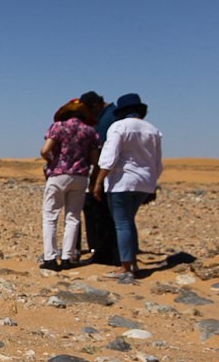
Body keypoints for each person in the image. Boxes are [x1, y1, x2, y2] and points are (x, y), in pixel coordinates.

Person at [93, 93, 163, 279]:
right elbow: (157, 162)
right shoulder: (153, 129)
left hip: (122, 181)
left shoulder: (119, 126)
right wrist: (153, 185)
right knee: (129, 221)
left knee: (122, 223)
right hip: (144, 182)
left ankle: (126, 267)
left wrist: (99, 181)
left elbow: (109, 157)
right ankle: (132, 262)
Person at [39, 99, 100, 270]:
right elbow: (95, 159)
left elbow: (45, 150)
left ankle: (50, 257)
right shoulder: (90, 131)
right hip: (80, 177)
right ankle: (67, 257)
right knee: (73, 218)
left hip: (58, 175)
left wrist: (52, 161)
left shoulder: (58, 127)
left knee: (50, 216)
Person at [77, 91, 119, 264]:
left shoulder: (109, 119)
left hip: (106, 173)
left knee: (99, 213)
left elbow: (103, 152)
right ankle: (106, 251)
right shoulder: (109, 116)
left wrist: (97, 180)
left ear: (94, 106)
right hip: (107, 174)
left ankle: (103, 254)